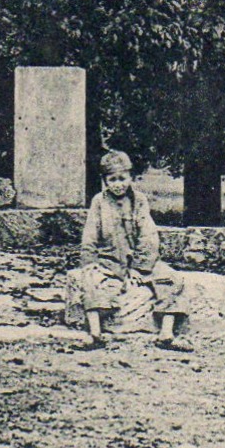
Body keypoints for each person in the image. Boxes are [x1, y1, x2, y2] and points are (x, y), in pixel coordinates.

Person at [66, 149, 190, 351]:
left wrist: (139, 268)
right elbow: (89, 235)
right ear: (105, 181)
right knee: (89, 280)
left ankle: (166, 334)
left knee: (172, 279)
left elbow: (148, 236)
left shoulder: (139, 201)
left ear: (131, 178)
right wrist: (89, 263)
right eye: (112, 180)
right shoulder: (99, 202)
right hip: (110, 260)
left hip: (140, 260)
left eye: (122, 178)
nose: (118, 184)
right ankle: (95, 333)